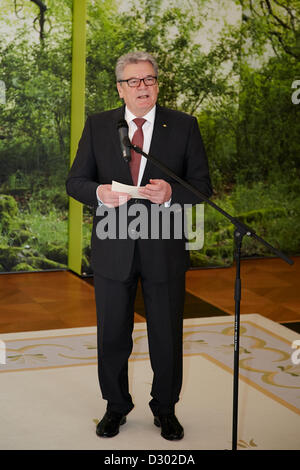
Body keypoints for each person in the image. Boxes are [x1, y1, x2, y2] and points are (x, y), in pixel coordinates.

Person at [66, 51, 212, 440]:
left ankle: (165, 408)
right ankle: (115, 407)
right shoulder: (99, 126)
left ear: (157, 84)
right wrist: (98, 191)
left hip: (164, 248)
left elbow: (201, 187)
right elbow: (75, 181)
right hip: (113, 247)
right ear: (120, 88)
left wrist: (170, 193)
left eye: (149, 79)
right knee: (112, 333)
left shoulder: (183, 126)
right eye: (134, 81)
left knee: (166, 333)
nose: (142, 87)